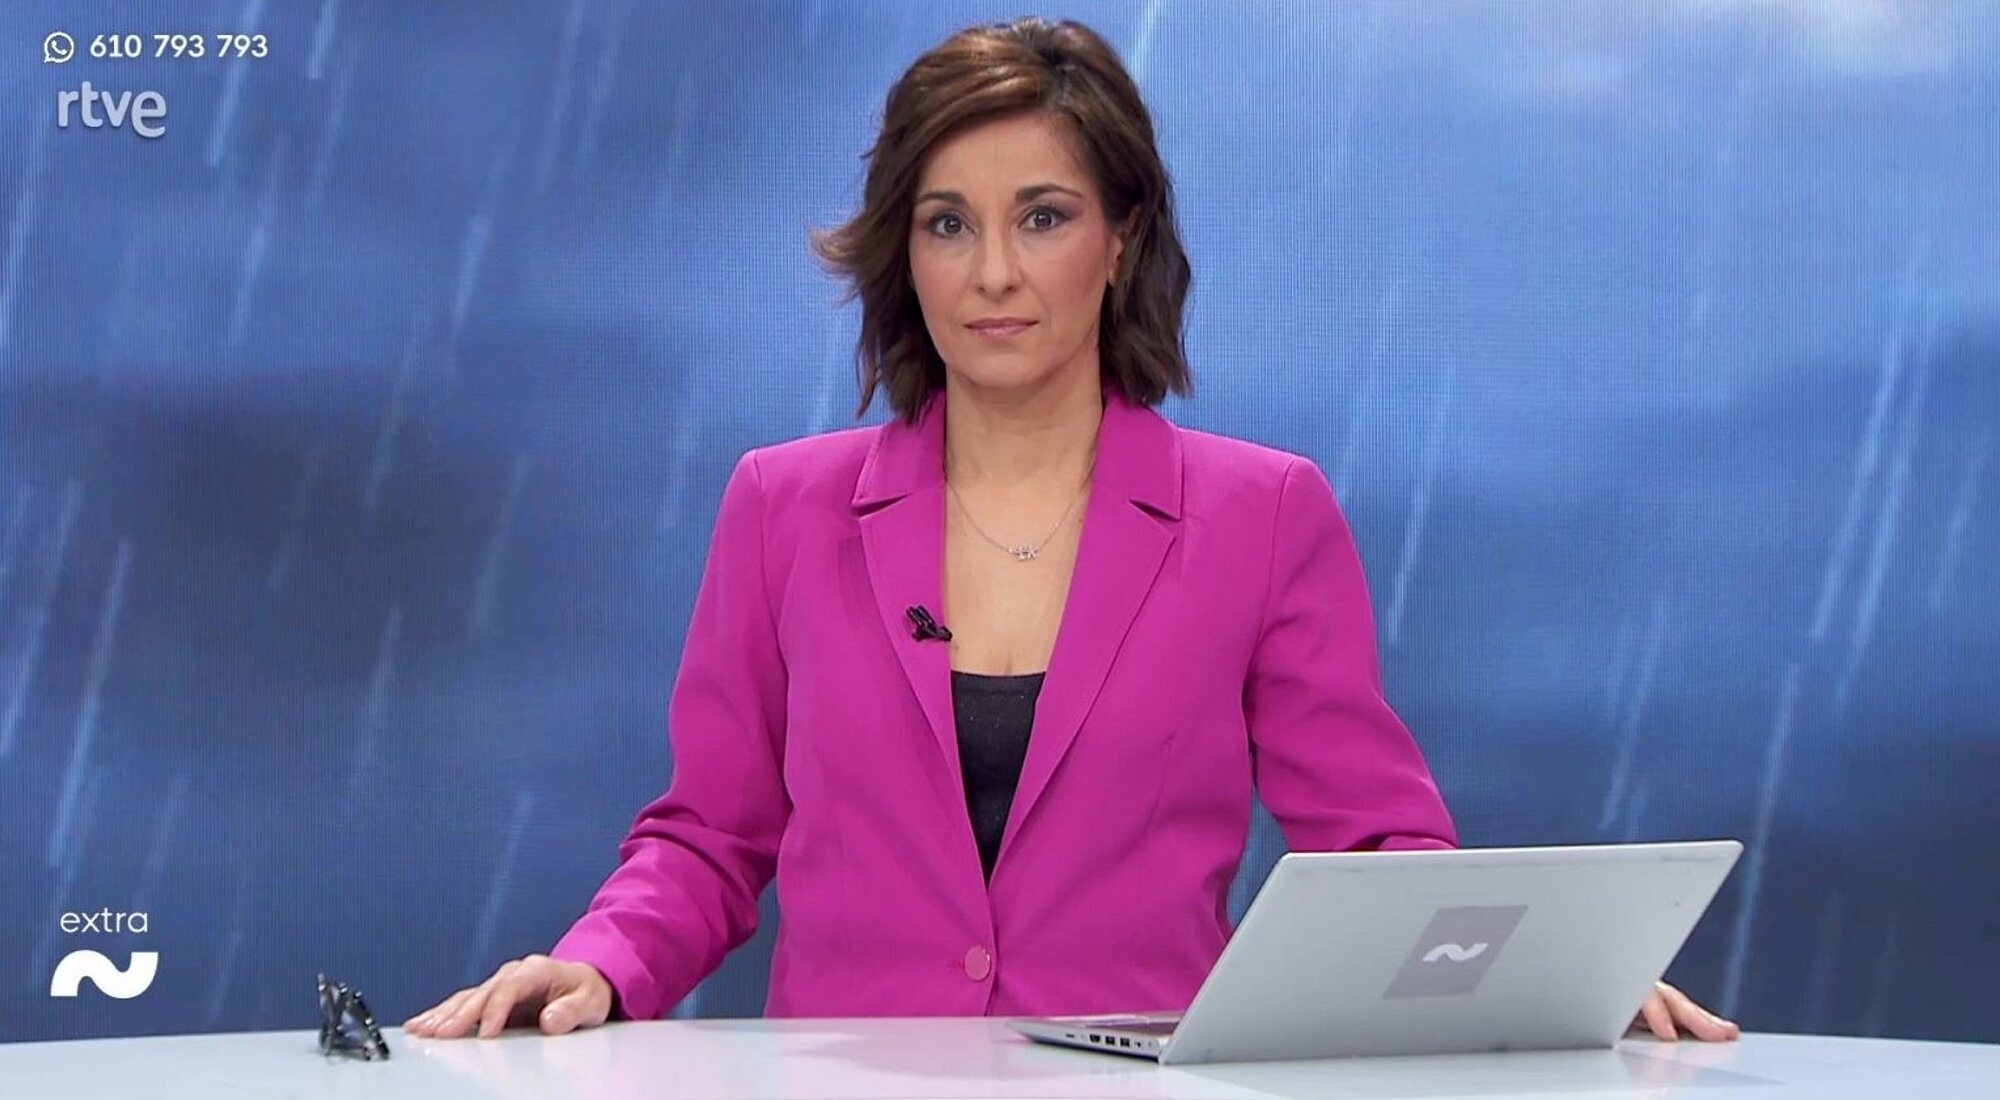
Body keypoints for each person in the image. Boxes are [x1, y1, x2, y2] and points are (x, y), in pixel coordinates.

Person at [406, 16, 1739, 1046]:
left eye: (1042, 218)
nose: (992, 272)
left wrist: (1550, 980)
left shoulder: (1263, 515)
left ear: (1121, 237)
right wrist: (600, 963)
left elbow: (1377, 853)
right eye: (948, 224)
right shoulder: (783, 509)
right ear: (903, 252)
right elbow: (710, 836)